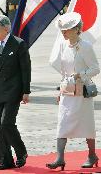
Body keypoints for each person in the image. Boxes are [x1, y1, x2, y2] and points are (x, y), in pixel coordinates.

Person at [46, 12, 100, 170]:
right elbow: (63, 71)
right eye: (62, 30)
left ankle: (91, 154)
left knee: (87, 125)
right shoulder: (63, 45)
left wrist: (80, 75)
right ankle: (60, 158)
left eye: (67, 29)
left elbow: (95, 68)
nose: (64, 32)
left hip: (82, 93)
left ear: (77, 29)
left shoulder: (86, 47)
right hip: (67, 92)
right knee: (62, 124)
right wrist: (60, 90)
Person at [0, 15, 31, 170]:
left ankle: (21, 152)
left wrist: (26, 91)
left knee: (6, 123)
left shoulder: (18, 44)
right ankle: (6, 159)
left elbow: (25, 69)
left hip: (13, 91)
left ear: (6, 28)